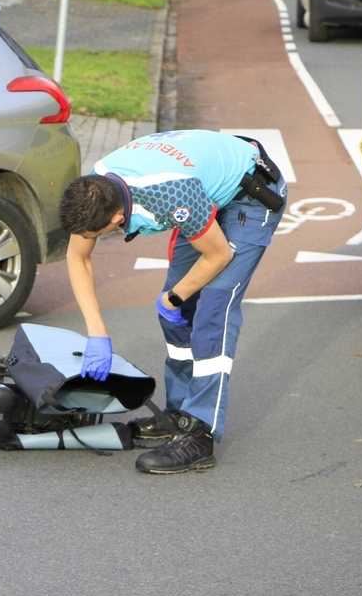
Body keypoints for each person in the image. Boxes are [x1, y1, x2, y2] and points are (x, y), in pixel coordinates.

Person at [59, 130, 286, 474]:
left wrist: (174, 297)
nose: (92, 239)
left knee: (212, 311)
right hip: (202, 192)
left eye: (98, 234)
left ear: (117, 220)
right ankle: (178, 415)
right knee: (176, 314)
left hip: (250, 195)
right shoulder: (97, 188)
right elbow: (78, 258)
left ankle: (200, 435)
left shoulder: (168, 195)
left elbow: (219, 254)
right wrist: (97, 333)